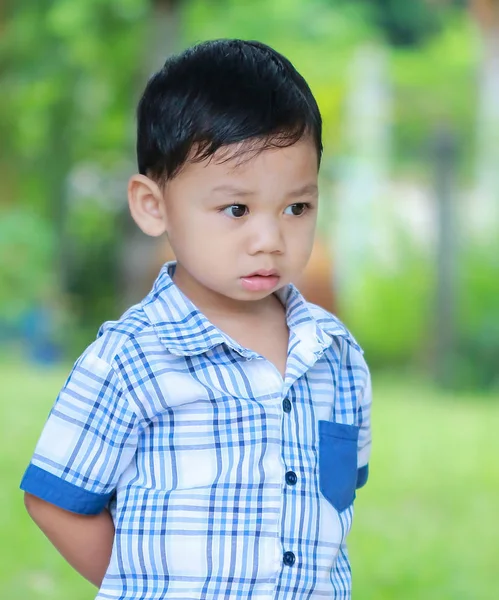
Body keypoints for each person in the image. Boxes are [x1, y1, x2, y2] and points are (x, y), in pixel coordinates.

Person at [20, 39, 372, 600]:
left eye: (296, 208)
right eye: (236, 210)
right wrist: (143, 581)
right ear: (153, 206)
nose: (270, 240)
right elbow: (56, 500)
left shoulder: (336, 354)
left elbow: (335, 502)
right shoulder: (132, 357)